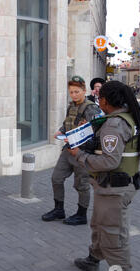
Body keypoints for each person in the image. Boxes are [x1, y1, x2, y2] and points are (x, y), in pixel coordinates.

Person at [68, 80, 140, 271]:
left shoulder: (115, 125)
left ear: (105, 100)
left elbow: (109, 161)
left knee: (114, 239)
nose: (99, 101)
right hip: (110, 188)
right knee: (99, 225)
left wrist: (80, 155)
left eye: (100, 98)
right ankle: (93, 260)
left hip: (115, 191)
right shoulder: (122, 118)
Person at [42, 76, 101, 226]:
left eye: (77, 91)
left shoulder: (91, 108)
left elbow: (97, 131)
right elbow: (67, 123)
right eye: (71, 92)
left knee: (81, 184)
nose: (74, 95)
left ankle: (81, 215)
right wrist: (60, 131)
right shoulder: (72, 106)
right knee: (56, 178)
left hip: (82, 152)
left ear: (84, 91)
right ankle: (59, 209)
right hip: (68, 149)